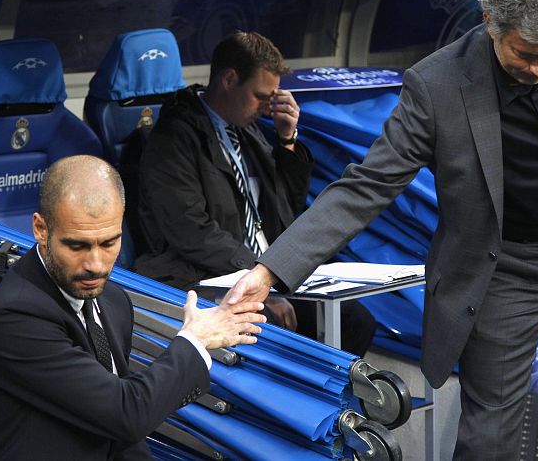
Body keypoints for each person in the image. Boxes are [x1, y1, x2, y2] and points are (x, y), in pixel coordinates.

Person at [225, 0, 538, 460]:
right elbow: (367, 185)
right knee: (489, 441)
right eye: (525, 54)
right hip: (504, 269)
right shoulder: (436, 85)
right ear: (490, 22)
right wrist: (269, 272)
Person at [0, 155, 266, 460]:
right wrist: (195, 340)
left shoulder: (113, 301)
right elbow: (126, 414)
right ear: (41, 229)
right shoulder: (12, 317)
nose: (95, 265)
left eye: (109, 243)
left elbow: (121, 439)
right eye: (77, 245)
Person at [135, 31, 375, 356]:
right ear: (229, 80)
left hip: (260, 268)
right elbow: (190, 230)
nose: (266, 108)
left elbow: (286, 206)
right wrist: (261, 274)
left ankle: (329, 389)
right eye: (260, 96)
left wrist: (287, 140)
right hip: (206, 272)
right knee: (268, 325)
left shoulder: (246, 130)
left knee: (356, 320)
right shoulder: (174, 138)